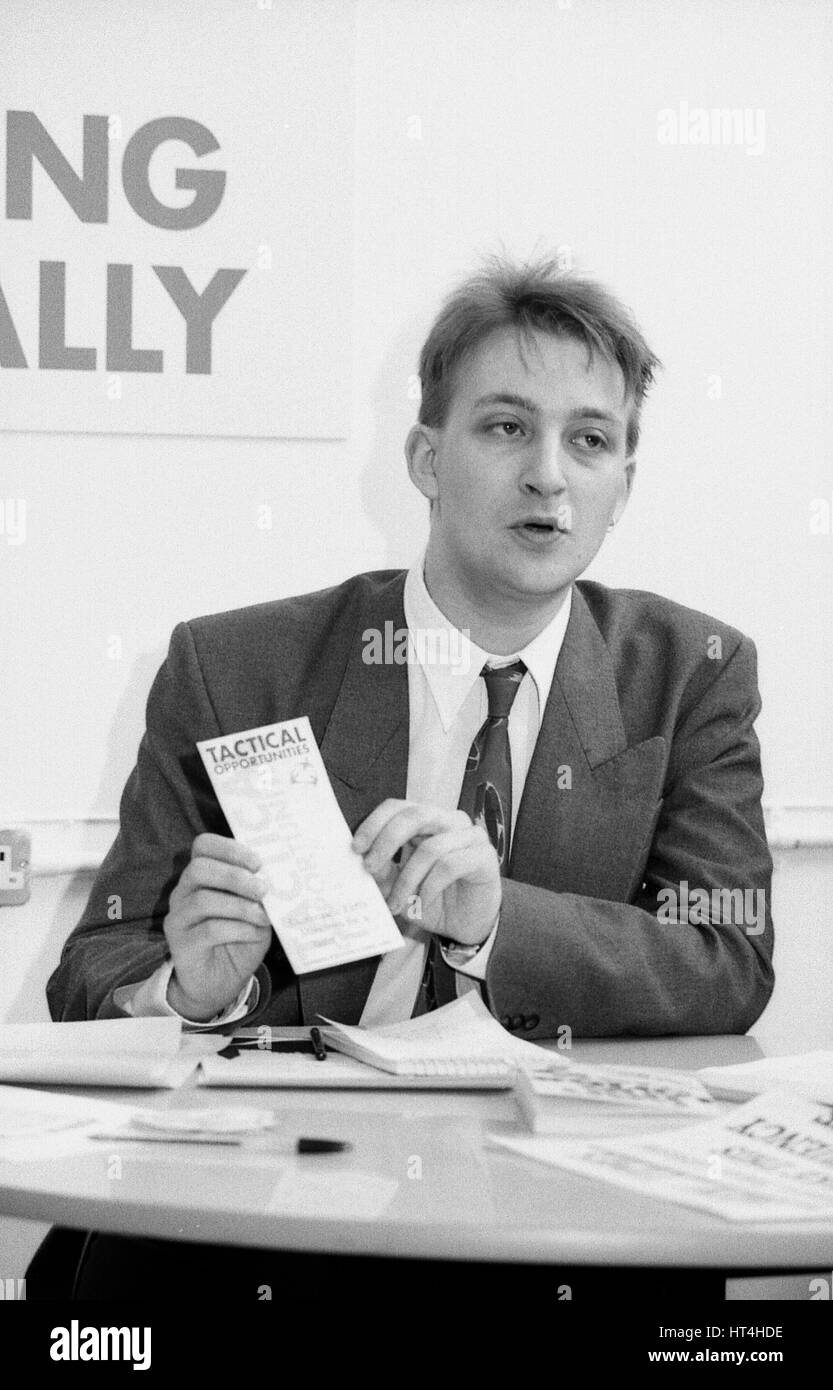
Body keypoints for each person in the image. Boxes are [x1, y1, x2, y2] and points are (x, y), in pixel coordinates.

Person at [33, 256, 773, 1299]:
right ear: (427, 458)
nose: (548, 476)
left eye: (588, 440)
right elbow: (93, 963)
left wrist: (493, 921)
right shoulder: (236, 667)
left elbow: (727, 959)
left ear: (621, 488)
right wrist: (188, 991)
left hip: (559, 1219)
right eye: (505, 427)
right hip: (274, 1206)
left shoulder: (688, 673)